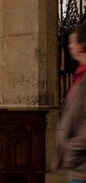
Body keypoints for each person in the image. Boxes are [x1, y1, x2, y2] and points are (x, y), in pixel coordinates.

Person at [54, 23, 86, 182]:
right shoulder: (80, 74)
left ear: (81, 46)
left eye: (72, 42)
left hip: (82, 164)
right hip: (78, 166)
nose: (69, 46)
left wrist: (72, 148)